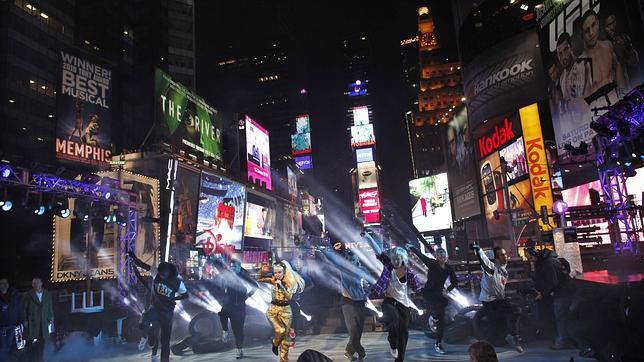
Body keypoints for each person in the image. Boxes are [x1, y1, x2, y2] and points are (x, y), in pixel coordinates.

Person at [364, 231, 421, 362]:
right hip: (389, 302)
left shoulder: (409, 273)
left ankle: (399, 359)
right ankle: (393, 344)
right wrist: (368, 237)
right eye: (393, 258)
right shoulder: (388, 267)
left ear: (403, 259)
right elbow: (378, 252)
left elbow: (417, 288)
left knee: (403, 333)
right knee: (394, 323)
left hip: (404, 305)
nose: (394, 260)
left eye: (397, 258)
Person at [128, 252, 188, 362]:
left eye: (163, 274)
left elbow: (186, 295)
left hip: (167, 313)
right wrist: (134, 258)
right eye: (160, 274)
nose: (161, 276)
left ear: (169, 272)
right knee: (142, 323)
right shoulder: (155, 272)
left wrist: (174, 299)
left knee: (165, 342)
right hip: (155, 309)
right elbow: (142, 265)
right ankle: (149, 335)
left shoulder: (177, 283)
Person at [320, 242, 368, 361]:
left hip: (360, 302)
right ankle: (356, 351)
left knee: (359, 330)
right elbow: (332, 259)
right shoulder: (343, 269)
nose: (352, 262)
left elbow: (367, 285)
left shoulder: (362, 270)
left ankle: (352, 351)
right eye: (350, 260)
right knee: (353, 330)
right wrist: (330, 249)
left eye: (354, 259)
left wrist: (366, 294)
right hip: (349, 303)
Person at [472, 244, 523, 353]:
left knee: (497, 322)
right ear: (495, 258)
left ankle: (497, 341)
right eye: (501, 255)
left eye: (505, 254)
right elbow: (483, 260)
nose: (505, 257)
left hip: (498, 300)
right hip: (490, 301)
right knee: (513, 311)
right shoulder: (492, 268)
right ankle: (512, 336)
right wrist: (478, 249)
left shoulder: (503, 270)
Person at [408, 245, 457, 354]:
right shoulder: (432, 263)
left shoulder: (448, 268)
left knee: (442, 317)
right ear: (436, 257)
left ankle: (438, 343)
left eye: (443, 256)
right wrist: (412, 247)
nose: (442, 258)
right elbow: (421, 256)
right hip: (429, 293)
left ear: (446, 257)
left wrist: (448, 290)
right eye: (439, 256)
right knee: (439, 310)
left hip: (439, 294)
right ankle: (433, 318)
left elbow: (455, 282)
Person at [257, 260, 305, 362]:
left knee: (285, 339)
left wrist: (281, 285)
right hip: (273, 310)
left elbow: (289, 296)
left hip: (286, 310)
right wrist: (261, 270)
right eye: (275, 272)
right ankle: (274, 344)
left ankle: (284, 360)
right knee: (280, 330)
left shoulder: (290, 282)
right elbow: (258, 279)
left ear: (284, 272)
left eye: (279, 272)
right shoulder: (272, 280)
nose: (277, 275)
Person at [218, 259, 258, 359]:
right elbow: (222, 288)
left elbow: (255, 286)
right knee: (222, 314)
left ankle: (239, 350)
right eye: (231, 266)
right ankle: (225, 331)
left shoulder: (244, 276)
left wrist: (247, 296)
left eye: (235, 266)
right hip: (228, 304)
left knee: (238, 330)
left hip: (239, 307)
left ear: (239, 267)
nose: (233, 268)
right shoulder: (228, 276)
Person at [579, 10, 625, 96]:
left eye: (593, 25)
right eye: (587, 30)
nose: (591, 33)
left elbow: (617, 66)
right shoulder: (580, 63)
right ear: (582, 35)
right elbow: (582, 99)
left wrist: (622, 94)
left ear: (598, 24)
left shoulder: (608, 45)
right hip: (600, 108)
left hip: (618, 104)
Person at [603, 12, 639, 87]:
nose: (612, 27)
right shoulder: (602, 45)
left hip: (626, 83)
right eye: (609, 25)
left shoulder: (622, 38)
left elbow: (634, 62)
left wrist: (627, 47)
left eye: (613, 22)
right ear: (604, 28)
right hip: (611, 85)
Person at [23, 277, 54, 362]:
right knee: (29, 341)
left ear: (41, 283)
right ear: (32, 285)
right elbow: (23, 309)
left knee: (42, 341)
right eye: (34, 283)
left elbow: (50, 306)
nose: (36, 285)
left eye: (37, 283)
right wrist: (25, 321)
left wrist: (51, 317)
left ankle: (39, 359)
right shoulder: (28, 295)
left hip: (43, 321)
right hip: (32, 322)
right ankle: (29, 359)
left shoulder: (47, 294)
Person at [0, 277, 24, 361]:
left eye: (5, 283)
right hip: (2, 327)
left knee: (10, 345)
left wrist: (21, 320)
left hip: (12, 325)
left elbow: (19, 309)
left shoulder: (14, 295)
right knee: (3, 347)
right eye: (2, 283)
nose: (4, 285)